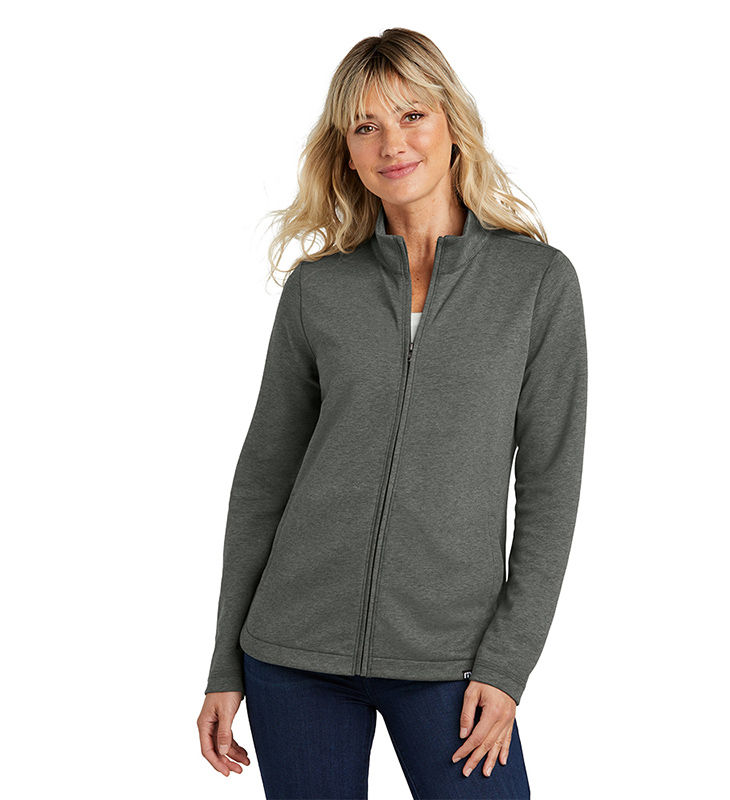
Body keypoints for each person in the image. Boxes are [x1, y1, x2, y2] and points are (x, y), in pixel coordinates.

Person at [197, 27, 588, 800]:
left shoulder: (536, 283)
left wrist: (508, 665)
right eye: (365, 126)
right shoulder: (319, 289)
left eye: (412, 115)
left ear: (452, 123)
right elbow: (264, 481)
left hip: (451, 661)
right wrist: (224, 663)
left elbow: (551, 487)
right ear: (346, 152)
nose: (392, 144)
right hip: (293, 652)